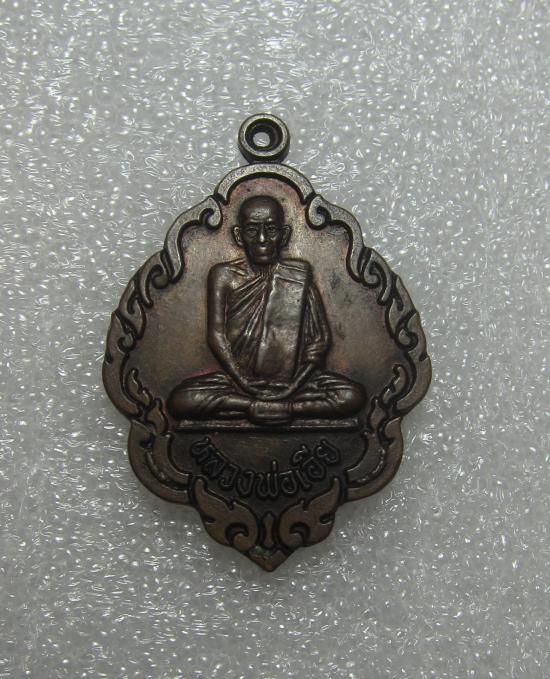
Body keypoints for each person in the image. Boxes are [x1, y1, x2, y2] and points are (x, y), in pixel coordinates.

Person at [168, 195, 365, 425]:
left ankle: (276, 408)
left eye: (271, 230)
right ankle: (258, 406)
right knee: (181, 400)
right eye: (252, 231)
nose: (262, 239)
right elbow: (216, 336)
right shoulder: (223, 275)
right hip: (237, 381)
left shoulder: (298, 274)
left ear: (285, 235)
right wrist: (243, 381)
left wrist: (294, 384)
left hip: (296, 382)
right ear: (239, 236)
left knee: (352, 396)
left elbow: (321, 340)